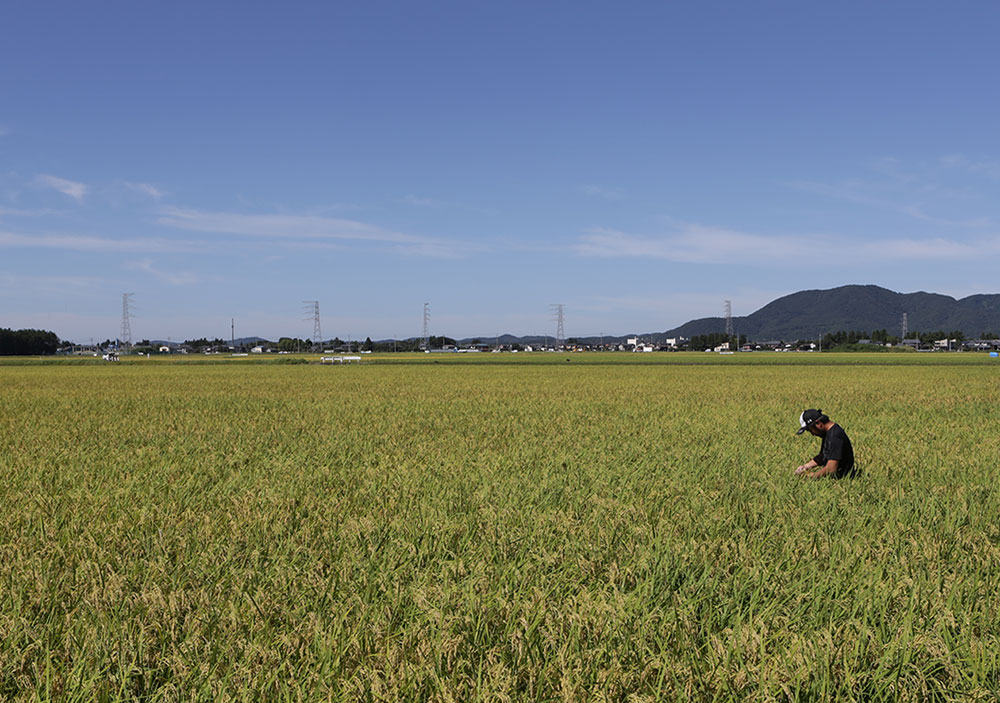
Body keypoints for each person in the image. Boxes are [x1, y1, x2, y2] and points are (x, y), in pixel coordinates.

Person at [793, 408, 856, 479]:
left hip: (842, 479)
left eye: (810, 430)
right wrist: (806, 466)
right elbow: (824, 456)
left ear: (818, 424)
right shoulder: (828, 433)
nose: (812, 434)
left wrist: (812, 476)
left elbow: (831, 469)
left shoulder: (835, 437)